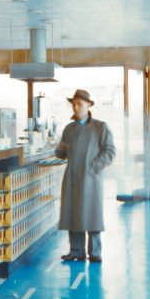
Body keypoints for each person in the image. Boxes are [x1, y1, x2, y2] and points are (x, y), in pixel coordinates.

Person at [55, 89, 116, 263]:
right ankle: (76, 251)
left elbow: (110, 151)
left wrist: (94, 166)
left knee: (91, 213)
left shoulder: (100, 127)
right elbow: (62, 153)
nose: (75, 107)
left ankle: (95, 252)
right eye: (73, 104)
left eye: (79, 104)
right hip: (72, 177)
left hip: (90, 178)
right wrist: (56, 147)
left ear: (89, 105)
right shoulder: (69, 129)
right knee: (72, 212)